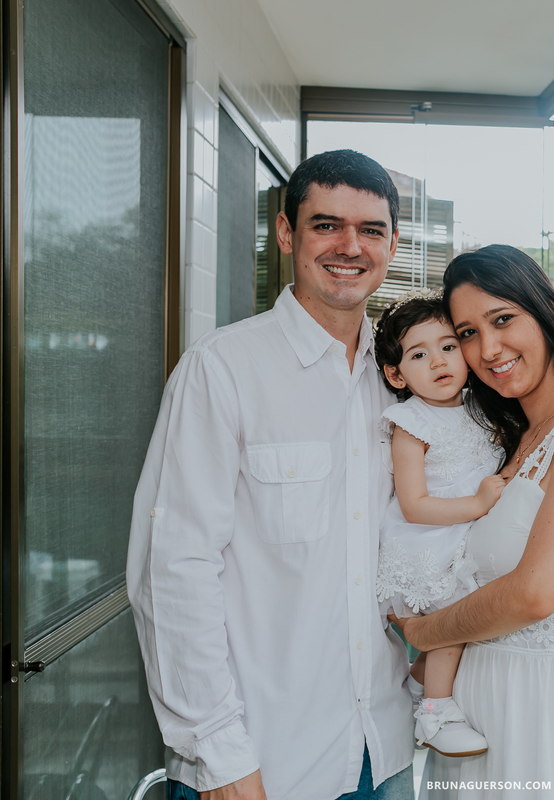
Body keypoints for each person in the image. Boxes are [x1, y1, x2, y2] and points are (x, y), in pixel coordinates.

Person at [127, 149, 415, 800]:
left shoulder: (407, 384)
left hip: (387, 752)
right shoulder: (222, 370)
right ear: (286, 233)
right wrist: (219, 757)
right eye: (326, 225)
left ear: (393, 244)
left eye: (371, 230)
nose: (350, 246)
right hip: (262, 764)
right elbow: (172, 571)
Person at [393, 244, 554, 799]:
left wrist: (420, 634)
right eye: (466, 333)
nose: (488, 348)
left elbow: (536, 593)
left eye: (503, 319)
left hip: (552, 710)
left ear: (550, 311)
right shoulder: (509, 440)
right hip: (479, 710)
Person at [371, 289, 506, 758]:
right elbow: (414, 505)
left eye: (448, 346)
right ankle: (436, 712)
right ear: (396, 373)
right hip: (426, 541)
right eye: (419, 354)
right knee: (452, 625)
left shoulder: (478, 406)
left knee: (455, 633)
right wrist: (478, 503)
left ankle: (415, 688)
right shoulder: (411, 423)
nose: (439, 361)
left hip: (459, 535)